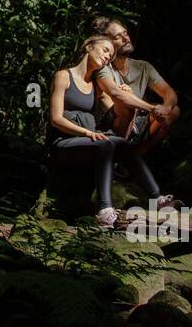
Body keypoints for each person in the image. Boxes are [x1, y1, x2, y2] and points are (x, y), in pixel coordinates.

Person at [48, 35, 177, 227]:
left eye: (111, 55)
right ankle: (104, 210)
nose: (108, 56)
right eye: (105, 50)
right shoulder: (63, 76)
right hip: (63, 143)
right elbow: (56, 119)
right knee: (107, 143)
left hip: (87, 143)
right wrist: (86, 133)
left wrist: (126, 94)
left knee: (121, 143)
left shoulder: (96, 86)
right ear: (89, 47)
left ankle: (159, 199)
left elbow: (115, 111)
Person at [90, 16, 180, 156]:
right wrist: (152, 109)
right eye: (118, 36)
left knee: (174, 111)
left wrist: (166, 107)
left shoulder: (143, 67)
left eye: (125, 33)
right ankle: (118, 158)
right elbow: (115, 93)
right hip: (110, 125)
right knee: (126, 103)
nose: (126, 38)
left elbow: (169, 92)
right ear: (107, 42)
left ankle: (137, 155)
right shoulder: (103, 67)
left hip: (136, 122)